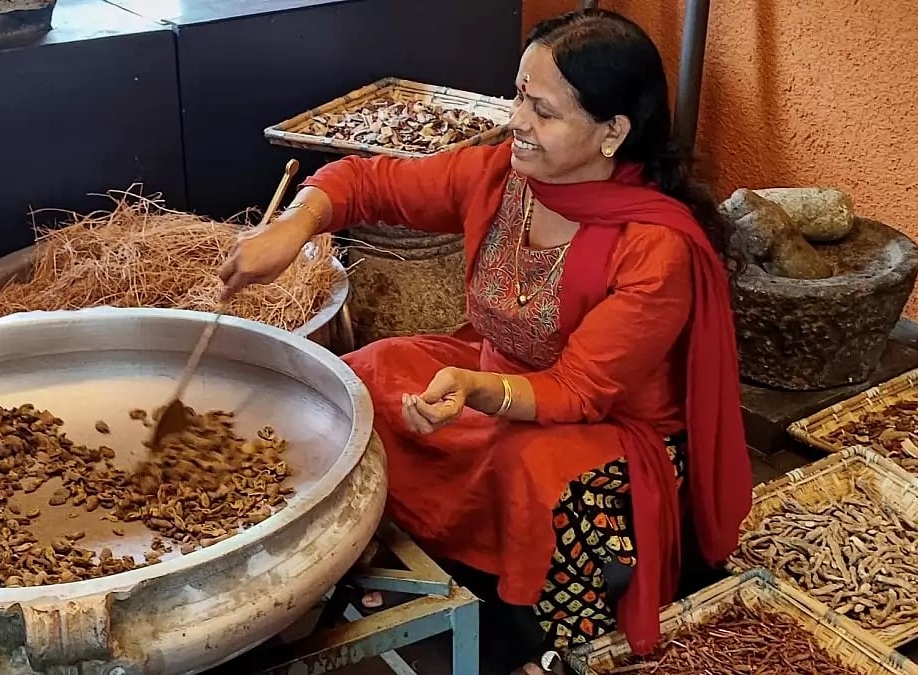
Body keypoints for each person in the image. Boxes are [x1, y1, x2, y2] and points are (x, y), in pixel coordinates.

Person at [219, 8, 753, 673]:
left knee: (536, 469)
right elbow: (364, 181)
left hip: (608, 430)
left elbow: (578, 390)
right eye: (519, 96)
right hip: (494, 377)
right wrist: (294, 226)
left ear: (612, 131)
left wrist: (475, 388)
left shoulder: (655, 247)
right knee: (365, 376)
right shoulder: (502, 175)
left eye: (545, 111)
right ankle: (375, 551)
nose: (517, 120)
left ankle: (559, 644)